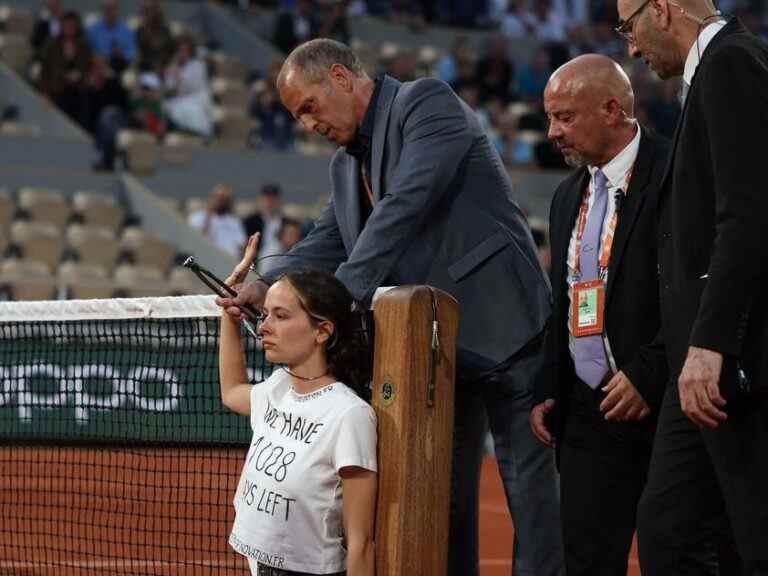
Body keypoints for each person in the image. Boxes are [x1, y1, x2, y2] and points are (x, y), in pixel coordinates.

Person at [217, 38, 562, 576]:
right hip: (435, 353)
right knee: (441, 508)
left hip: (509, 334)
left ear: (339, 76)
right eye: (296, 116)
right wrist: (265, 285)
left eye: (308, 106)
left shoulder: (425, 104)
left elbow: (404, 206)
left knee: (535, 506)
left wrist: (341, 302)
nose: (307, 124)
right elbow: (325, 240)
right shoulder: (343, 167)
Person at [614, 0, 768, 573]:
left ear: (662, 9)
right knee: (669, 527)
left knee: (746, 533)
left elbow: (746, 217)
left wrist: (711, 342)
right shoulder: (718, 68)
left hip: (726, 360)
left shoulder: (731, 64)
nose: (630, 47)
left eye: (629, 28)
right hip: (700, 361)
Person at [532, 54, 668, 576]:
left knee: (674, 552)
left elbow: (693, 293)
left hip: (662, 404)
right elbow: (564, 299)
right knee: (586, 558)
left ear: (613, 109)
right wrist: (552, 386)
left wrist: (649, 373)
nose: (553, 133)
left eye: (564, 117)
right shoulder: (569, 195)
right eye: (551, 118)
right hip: (588, 410)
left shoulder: (675, 173)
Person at [219, 234, 377, 576]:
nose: (263, 327)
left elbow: (360, 541)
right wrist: (229, 319)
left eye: (280, 316)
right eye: (264, 315)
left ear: (322, 332)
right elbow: (232, 392)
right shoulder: (277, 387)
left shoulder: (349, 415)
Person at [188, 184, 247, 258]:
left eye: (225, 199)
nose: (221, 202)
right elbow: (197, 242)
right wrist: (208, 216)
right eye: (218, 197)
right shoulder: (197, 218)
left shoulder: (234, 221)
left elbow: (241, 245)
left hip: (230, 263)